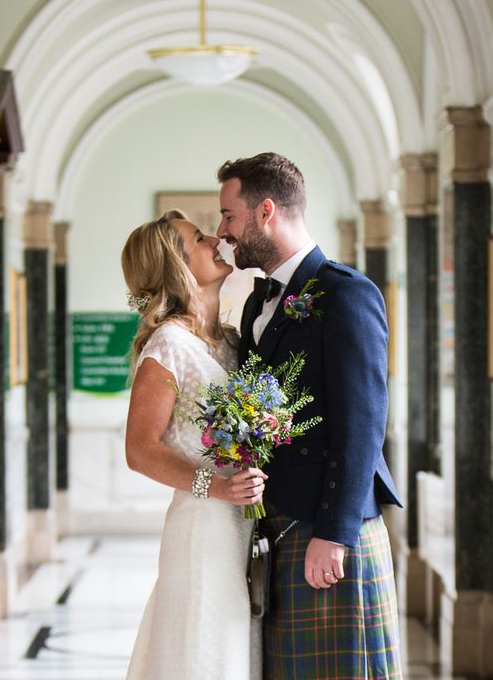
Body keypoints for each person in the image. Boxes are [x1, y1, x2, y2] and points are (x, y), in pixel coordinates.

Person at [216, 153, 404, 679]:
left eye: (229, 216)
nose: (222, 231)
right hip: (279, 525)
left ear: (266, 211)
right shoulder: (258, 303)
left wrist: (335, 532)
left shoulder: (346, 293)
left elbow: (362, 424)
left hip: (328, 527)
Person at [121, 209, 265, 679]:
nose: (214, 241)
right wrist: (218, 488)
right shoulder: (168, 346)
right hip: (204, 528)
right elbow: (140, 451)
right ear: (178, 265)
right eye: (200, 238)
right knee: (208, 652)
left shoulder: (227, 341)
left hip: (244, 523)